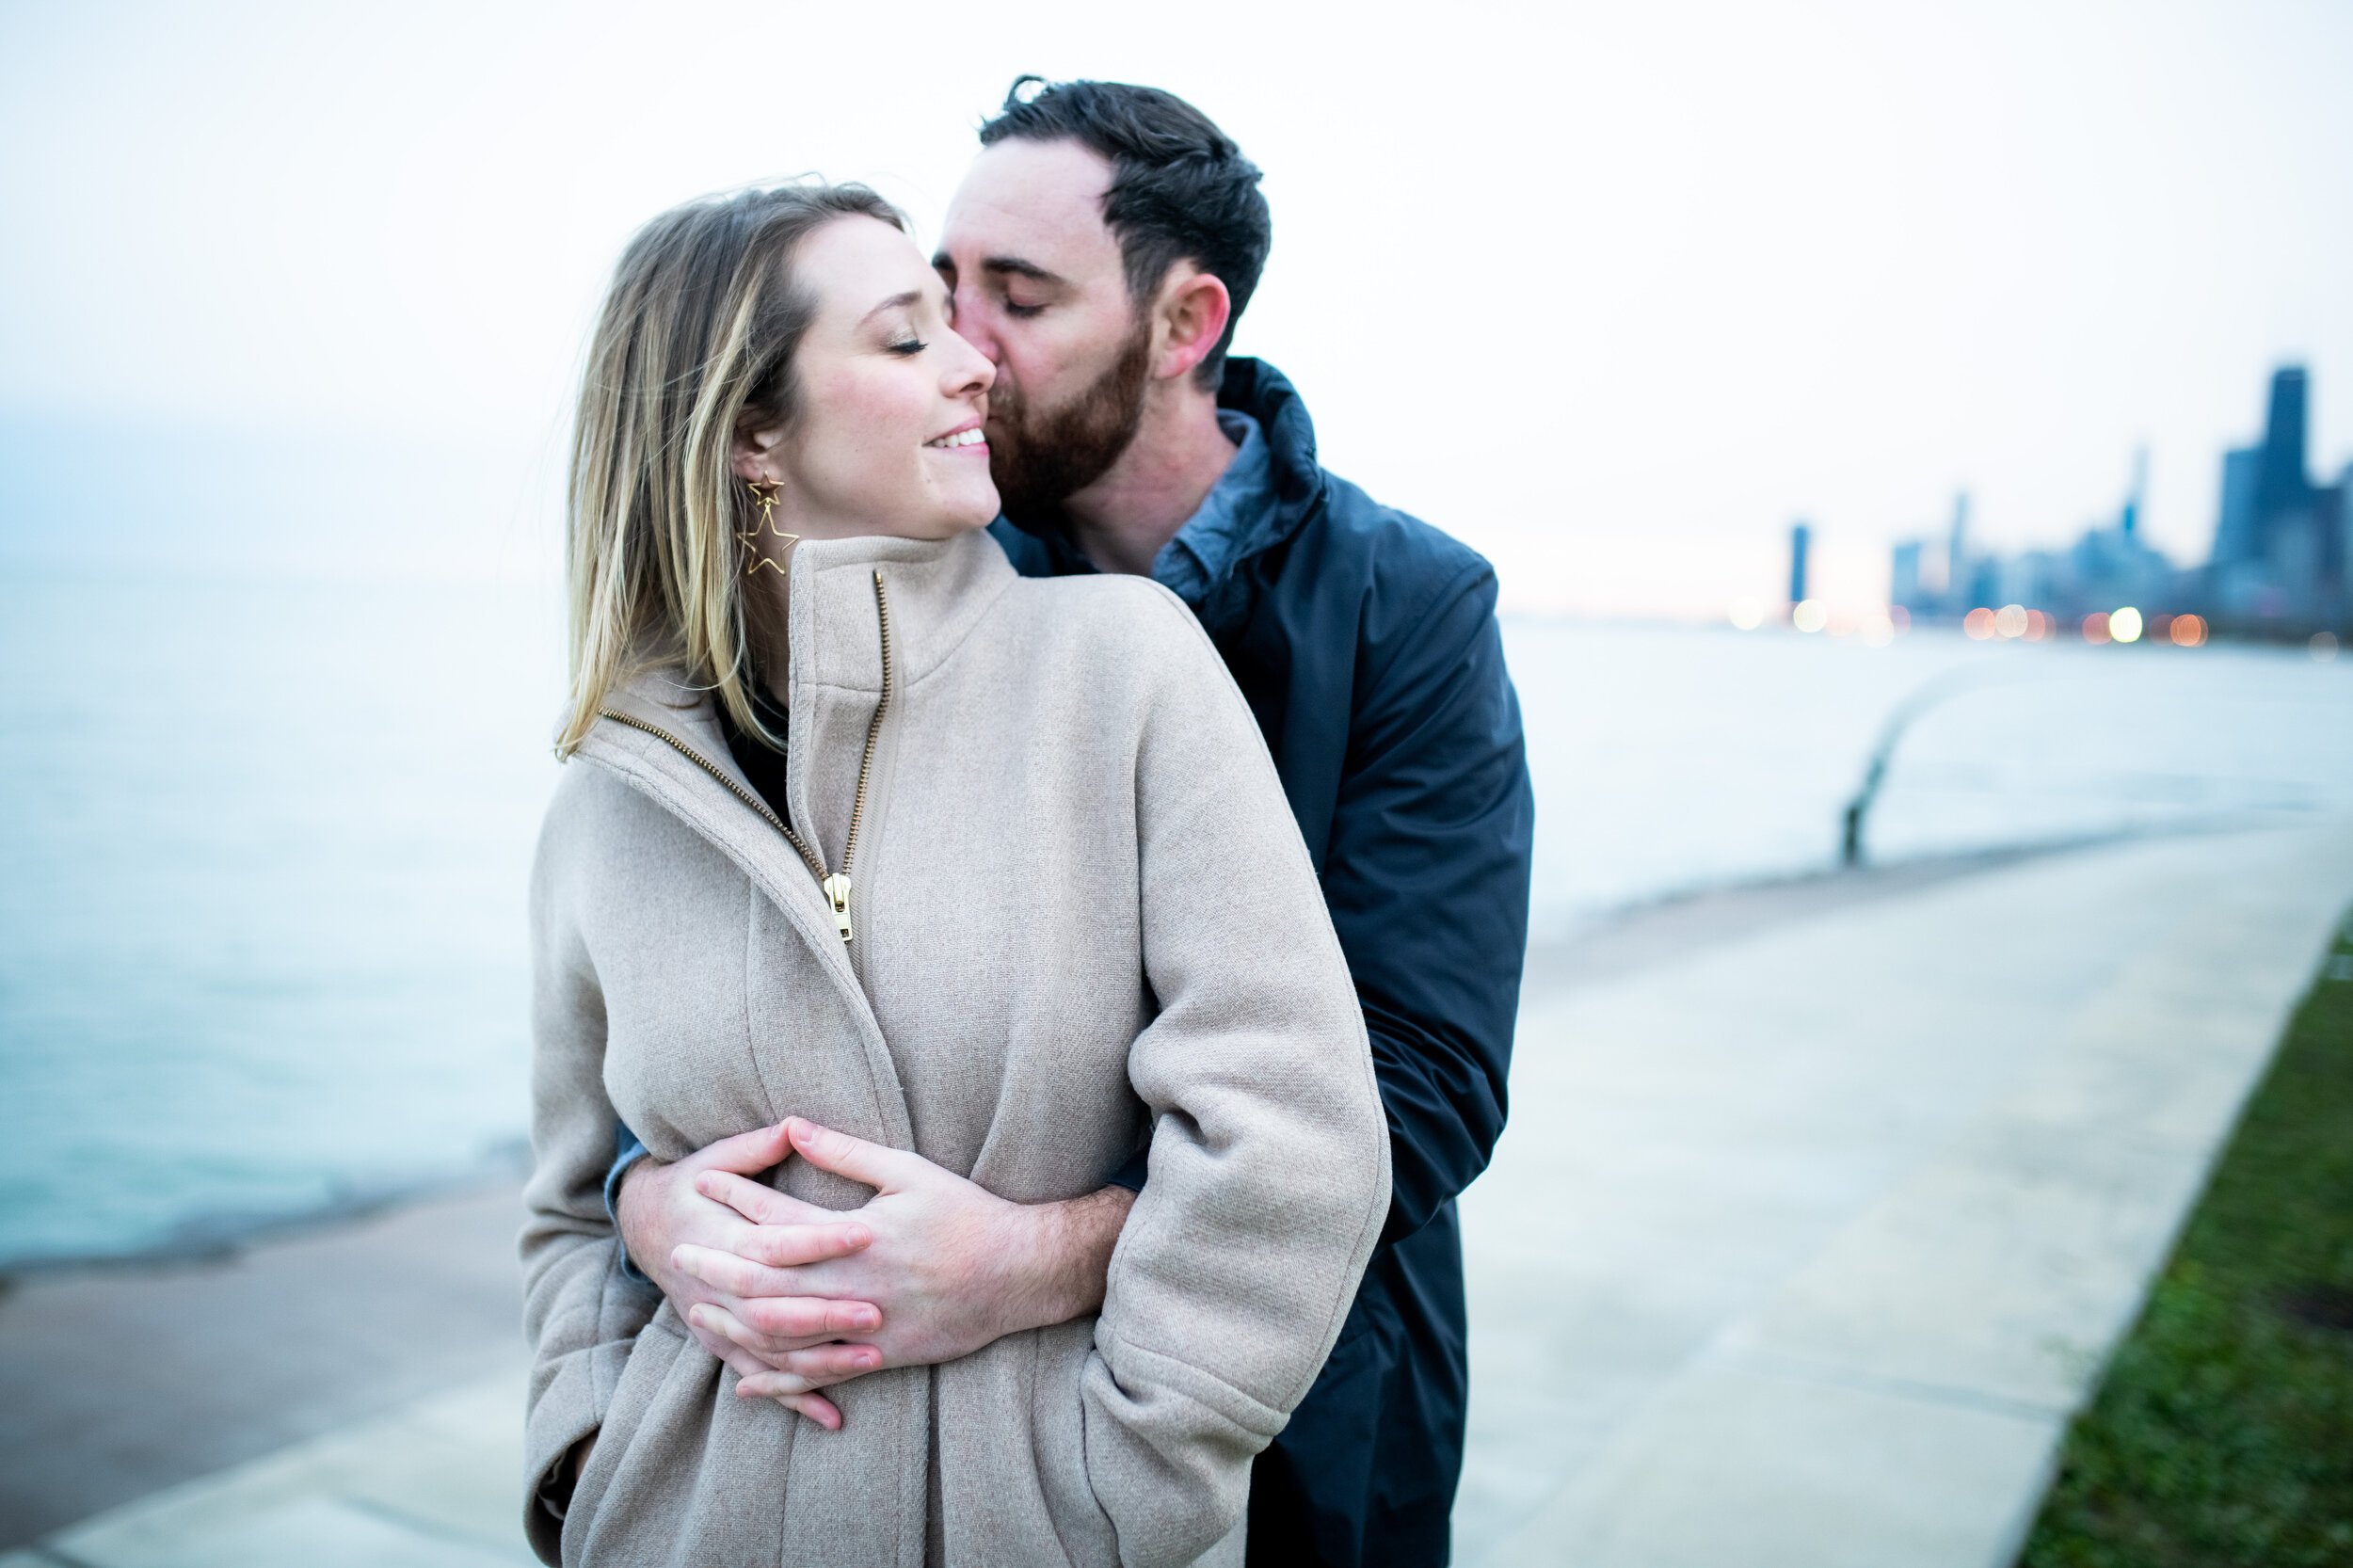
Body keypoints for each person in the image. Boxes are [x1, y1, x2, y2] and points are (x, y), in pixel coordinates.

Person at [612, 81, 1535, 1567]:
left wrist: (1029, 1260)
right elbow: (714, 962)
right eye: (939, 291)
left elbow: (1423, 1077)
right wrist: (647, 1194)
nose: (964, 346)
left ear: (1184, 327)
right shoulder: (910, 564)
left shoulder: (1410, 609)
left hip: (1305, 1414)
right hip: (901, 1448)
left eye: (1019, 298)